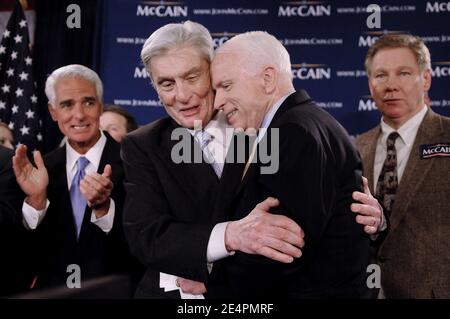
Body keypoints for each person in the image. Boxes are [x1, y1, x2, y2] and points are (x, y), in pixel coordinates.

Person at [122, 21, 381, 299]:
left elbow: (305, 220)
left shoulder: (266, 124)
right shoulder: (143, 145)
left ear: (213, 70)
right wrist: (229, 236)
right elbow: (147, 236)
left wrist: (368, 218)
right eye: (167, 83)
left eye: (192, 77)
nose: (182, 95)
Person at [204, 30, 370, 298]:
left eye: (226, 86)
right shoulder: (274, 130)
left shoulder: (296, 132)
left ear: (268, 79)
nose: (218, 102)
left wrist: (210, 285)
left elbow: (281, 250)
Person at [12, 64, 138, 290]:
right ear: (53, 112)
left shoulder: (136, 161)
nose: (79, 115)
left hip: (117, 292)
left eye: (88, 102)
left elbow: (145, 243)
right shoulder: (41, 169)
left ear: (100, 106)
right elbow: (21, 258)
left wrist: (104, 210)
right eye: (67, 105)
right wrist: (37, 203)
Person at [354, 34, 450, 298]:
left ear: (427, 79)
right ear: (370, 83)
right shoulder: (356, 148)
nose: (391, 85)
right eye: (381, 75)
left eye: (404, 73)